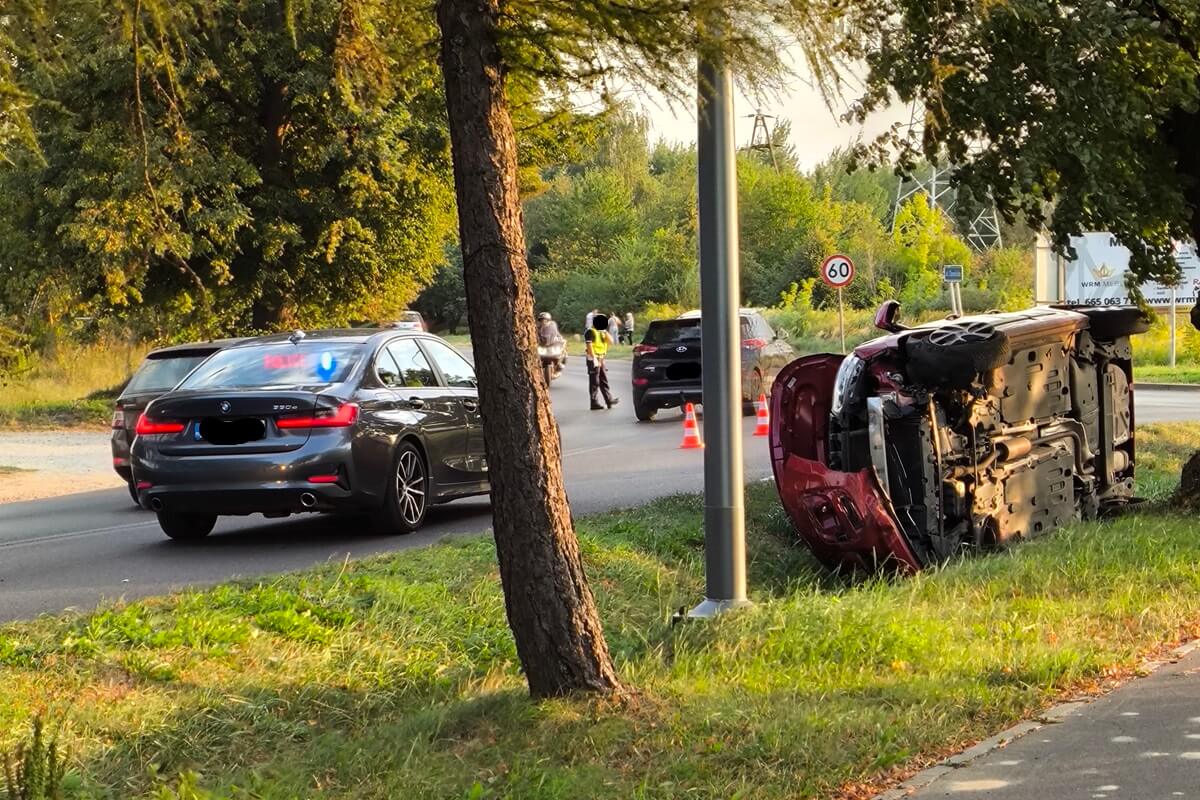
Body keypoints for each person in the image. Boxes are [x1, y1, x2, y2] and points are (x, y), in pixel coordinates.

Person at [585, 314, 619, 410]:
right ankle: (594, 403)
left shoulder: (601, 332)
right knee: (594, 381)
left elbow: (611, 341)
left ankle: (609, 400)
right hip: (593, 358)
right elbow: (589, 346)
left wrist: (605, 332)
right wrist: (594, 358)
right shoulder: (590, 332)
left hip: (601, 358)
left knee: (603, 379)